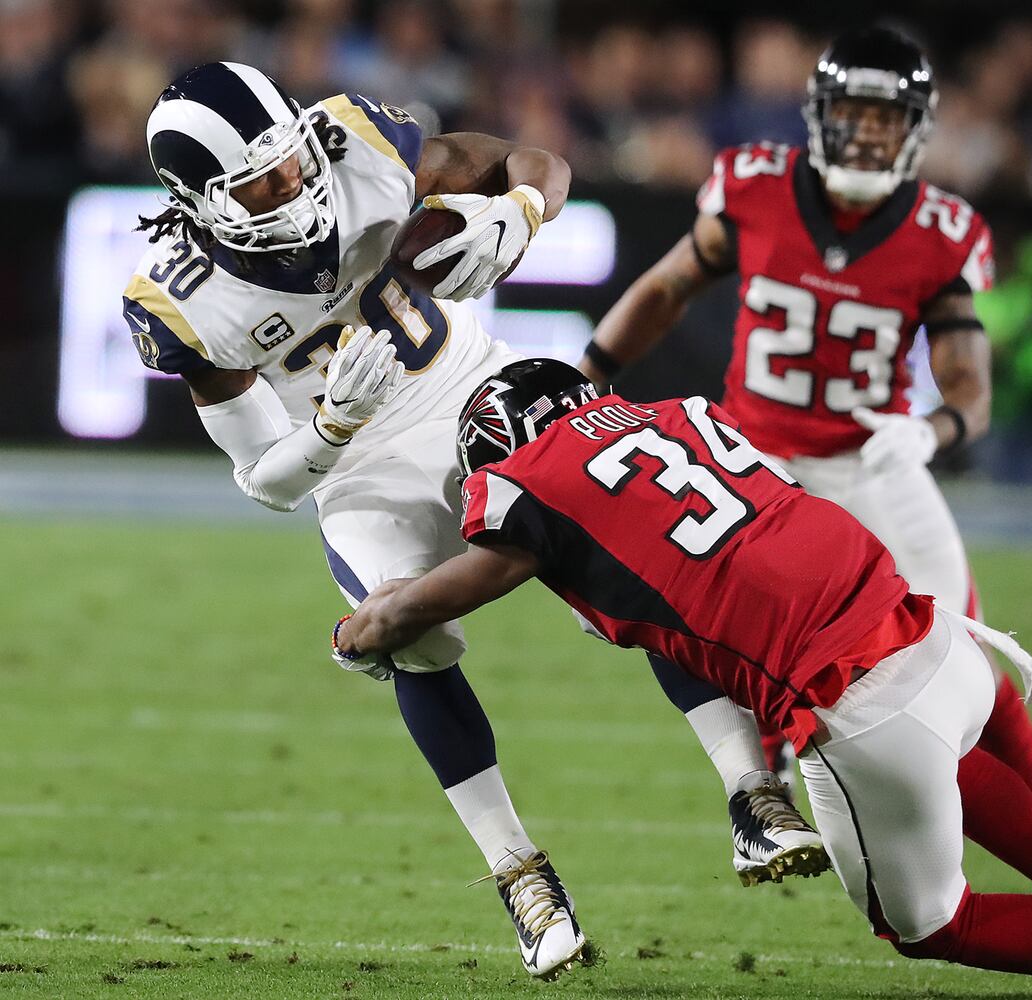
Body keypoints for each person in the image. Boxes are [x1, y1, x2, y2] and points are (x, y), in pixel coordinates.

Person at [123, 62, 821, 981]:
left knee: (631, 540)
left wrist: (520, 212)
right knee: (408, 633)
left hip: (476, 389)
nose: (293, 183)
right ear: (199, 201)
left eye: (291, 158)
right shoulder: (181, 298)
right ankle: (520, 874)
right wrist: (330, 428)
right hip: (359, 468)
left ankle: (753, 794)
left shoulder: (352, 142)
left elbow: (538, 161)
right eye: (261, 182)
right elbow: (267, 481)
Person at [333, 358, 1032, 997]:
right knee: (955, 761)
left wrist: (351, 633)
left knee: (932, 924)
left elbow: (412, 612)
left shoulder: (526, 483)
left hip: (860, 705)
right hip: (933, 634)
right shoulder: (681, 414)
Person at [579, 24, 1032, 842]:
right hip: (756, 464)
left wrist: (930, 432)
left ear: (915, 128)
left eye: (887, 117)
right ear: (820, 114)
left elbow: (969, 385)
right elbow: (665, 289)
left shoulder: (940, 228)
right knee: (731, 638)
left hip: (869, 461)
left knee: (967, 653)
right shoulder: (756, 186)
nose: (869, 133)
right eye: (855, 112)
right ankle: (762, 805)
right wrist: (588, 374)